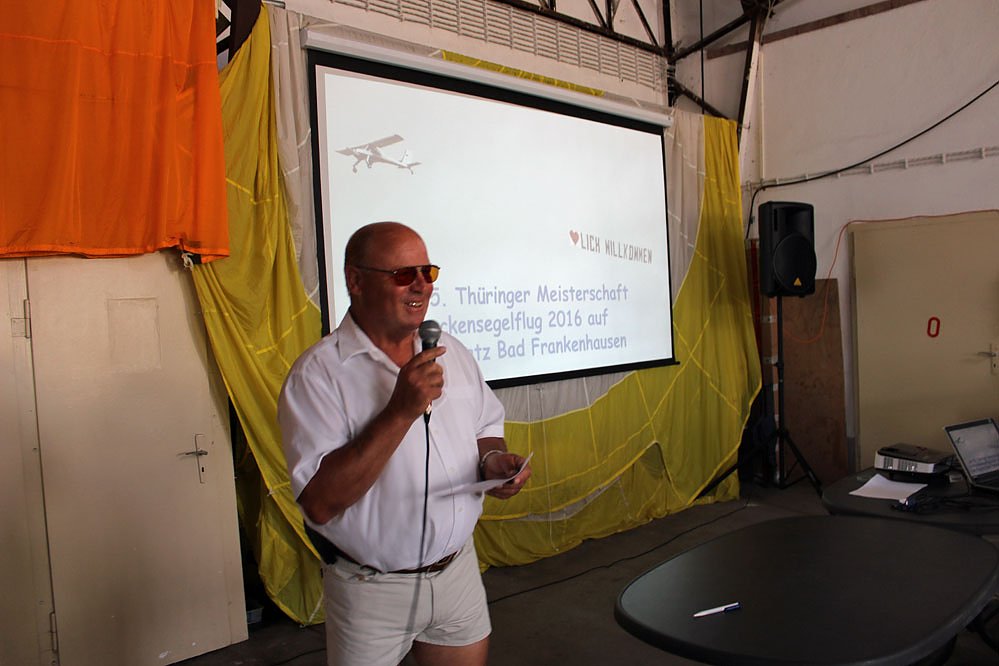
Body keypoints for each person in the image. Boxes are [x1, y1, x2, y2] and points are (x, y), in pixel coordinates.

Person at [278, 221, 531, 666]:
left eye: (427, 272)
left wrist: (492, 460)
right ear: (356, 280)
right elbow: (319, 503)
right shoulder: (317, 375)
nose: (421, 285)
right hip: (372, 590)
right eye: (402, 274)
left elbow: (484, 428)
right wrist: (399, 411)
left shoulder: (450, 350)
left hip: (457, 572)